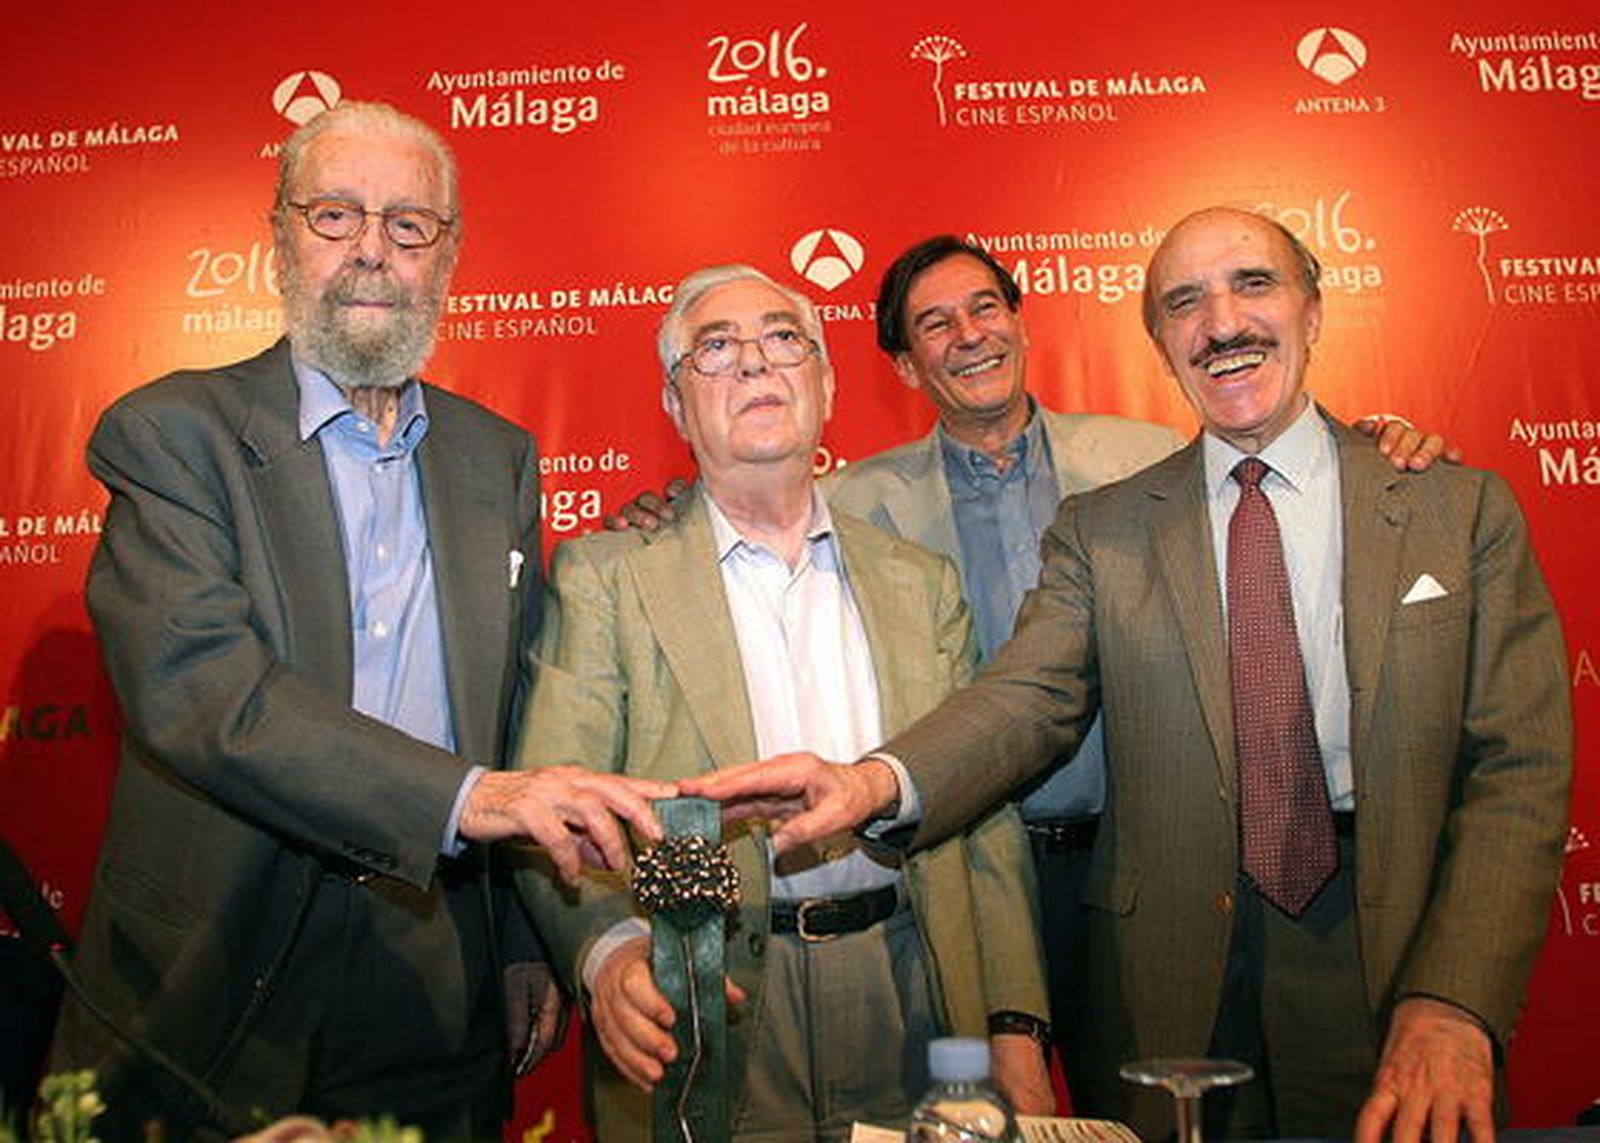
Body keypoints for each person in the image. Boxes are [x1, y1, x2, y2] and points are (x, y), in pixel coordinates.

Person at [687, 208, 1572, 1142]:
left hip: (1391, 952)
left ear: (1314, 308)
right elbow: (1027, 696)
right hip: (1173, 967)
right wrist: (876, 779)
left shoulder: (1454, 507)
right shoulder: (1105, 526)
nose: (1222, 322)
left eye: (1254, 284)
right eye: (1185, 302)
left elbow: (1519, 770)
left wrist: (1454, 1000)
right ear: (1161, 342)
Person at [53, 101, 673, 1140]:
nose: (371, 252)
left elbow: (515, 713)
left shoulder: (498, 458)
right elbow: (203, 694)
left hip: (433, 959)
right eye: (335, 216)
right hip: (215, 960)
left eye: (408, 224)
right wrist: (471, 798)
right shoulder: (170, 436)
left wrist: (521, 939)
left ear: (449, 254)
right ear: (281, 233)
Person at [513, 264, 1051, 1140]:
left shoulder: (922, 582)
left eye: (783, 340)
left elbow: (980, 812)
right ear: (677, 405)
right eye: (716, 348)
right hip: (704, 1005)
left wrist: (1016, 1023)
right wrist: (608, 953)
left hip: (912, 991)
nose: (756, 365)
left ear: (828, 383)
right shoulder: (605, 578)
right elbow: (553, 805)